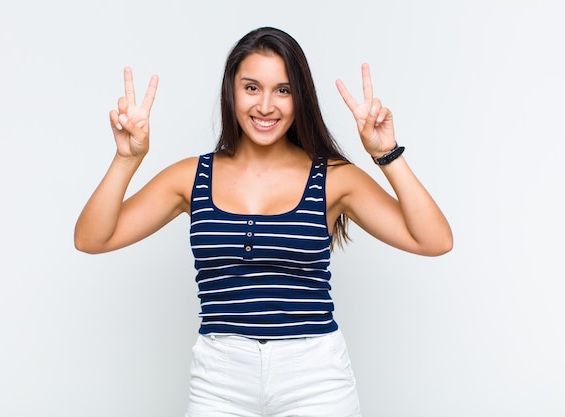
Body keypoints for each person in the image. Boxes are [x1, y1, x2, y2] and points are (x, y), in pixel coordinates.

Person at [75, 26, 452, 417]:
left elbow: (434, 240)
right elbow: (91, 238)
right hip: (219, 379)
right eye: (251, 88)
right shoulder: (191, 177)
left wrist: (386, 154)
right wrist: (127, 159)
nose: (266, 106)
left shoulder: (334, 179)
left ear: (299, 98)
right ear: (231, 91)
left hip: (315, 378)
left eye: (283, 90)